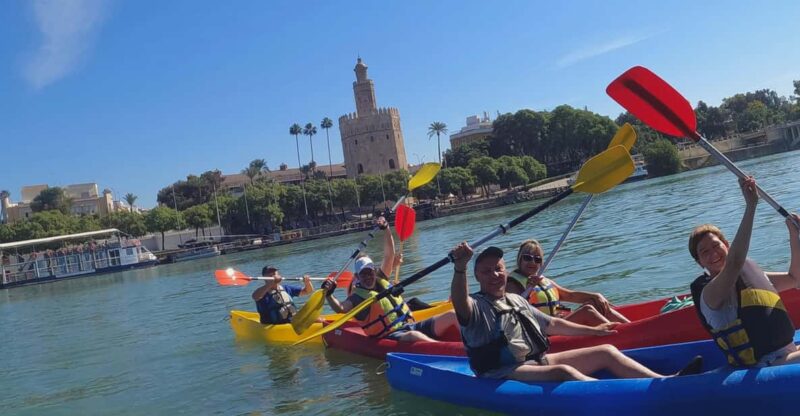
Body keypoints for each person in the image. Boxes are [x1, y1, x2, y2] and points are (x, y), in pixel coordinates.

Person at [450, 242, 702, 381]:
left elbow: (552, 325)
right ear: (477, 277)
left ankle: (665, 381)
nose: (495, 275)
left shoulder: (516, 299)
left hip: (536, 360)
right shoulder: (476, 306)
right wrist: (460, 268)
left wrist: (593, 331)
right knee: (564, 372)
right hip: (502, 371)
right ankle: (625, 399)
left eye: (499, 269)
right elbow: (460, 301)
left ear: (505, 270)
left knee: (607, 351)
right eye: (486, 271)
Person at [689, 176, 800, 368]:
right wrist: (751, 206)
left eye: (716, 246)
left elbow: (795, 278)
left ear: (727, 246)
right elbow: (734, 263)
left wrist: (793, 233)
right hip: (765, 366)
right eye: (704, 252)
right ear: (700, 263)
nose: (713, 254)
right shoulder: (709, 295)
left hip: (788, 353)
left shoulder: (749, 274)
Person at [322, 216, 458, 342]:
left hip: (410, 324)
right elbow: (340, 308)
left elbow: (389, 255)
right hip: (391, 335)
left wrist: (386, 228)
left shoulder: (380, 278)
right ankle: (446, 350)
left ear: (374, 272)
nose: (368, 277)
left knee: (452, 315)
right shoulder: (357, 298)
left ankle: (472, 341)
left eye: (370, 272)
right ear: (357, 276)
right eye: (363, 274)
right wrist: (329, 294)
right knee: (413, 335)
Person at [507, 239, 630, 326]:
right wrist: (529, 288)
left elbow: (570, 295)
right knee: (587, 310)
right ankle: (624, 334)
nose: (533, 262)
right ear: (520, 259)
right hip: (544, 330)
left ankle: (630, 327)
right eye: (527, 258)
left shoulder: (544, 280)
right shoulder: (512, 284)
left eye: (537, 259)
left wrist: (596, 296)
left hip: (559, 323)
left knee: (595, 303)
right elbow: (515, 311)